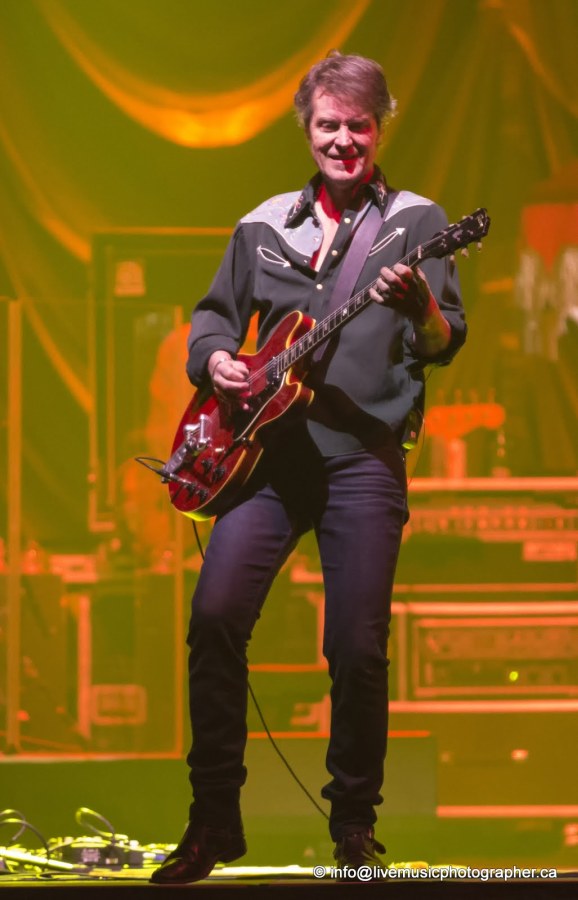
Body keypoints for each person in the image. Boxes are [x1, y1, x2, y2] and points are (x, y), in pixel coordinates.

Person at [151, 51, 467, 884]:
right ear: (308, 129)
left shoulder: (418, 221)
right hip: (265, 457)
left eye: (358, 126)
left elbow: (443, 342)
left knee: (356, 648)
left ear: (379, 127)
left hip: (363, 458)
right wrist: (217, 360)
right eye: (329, 125)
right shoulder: (263, 225)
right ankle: (213, 821)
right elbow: (213, 320)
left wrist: (421, 306)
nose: (343, 141)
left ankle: (354, 827)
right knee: (215, 618)